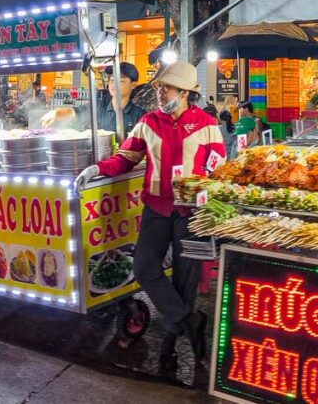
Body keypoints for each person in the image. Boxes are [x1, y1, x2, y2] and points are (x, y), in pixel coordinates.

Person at [75, 61, 224, 373]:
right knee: (144, 267)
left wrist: (209, 198)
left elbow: (218, 169)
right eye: (158, 87)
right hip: (156, 209)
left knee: (185, 281)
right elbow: (127, 157)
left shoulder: (207, 124)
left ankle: (170, 347)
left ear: (184, 93)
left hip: (191, 213)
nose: (159, 93)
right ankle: (191, 323)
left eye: (166, 88)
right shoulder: (148, 122)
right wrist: (97, 169)